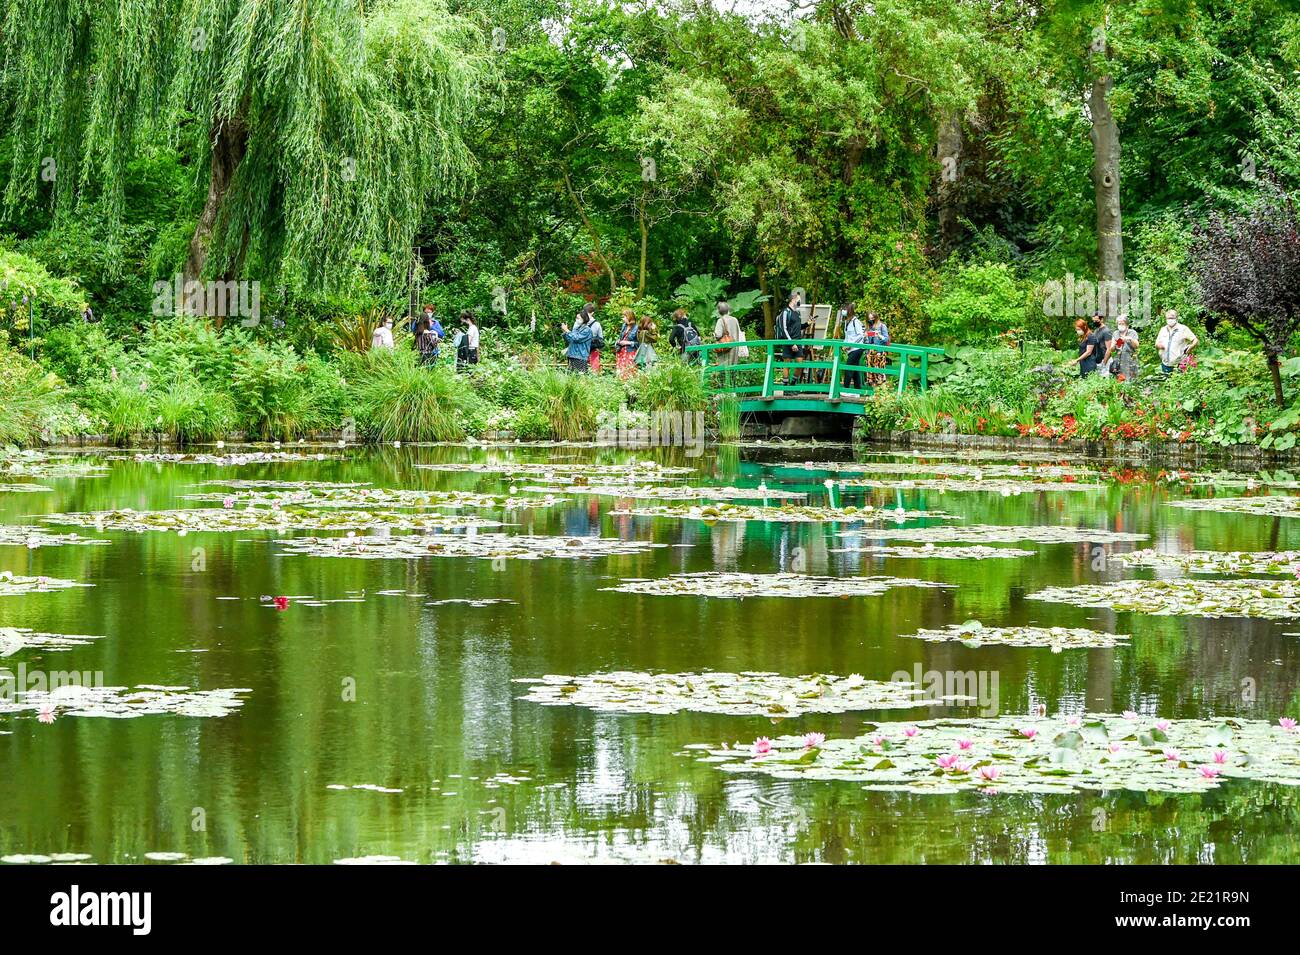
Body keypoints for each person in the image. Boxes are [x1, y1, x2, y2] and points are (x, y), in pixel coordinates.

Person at [1155, 308, 1198, 374]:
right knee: (1167, 383)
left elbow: (1195, 340)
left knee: (1179, 382)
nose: (1170, 320)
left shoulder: (1183, 328)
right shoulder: (1163, 329)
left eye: (1172, 318)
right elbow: (1156, 343)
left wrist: (1191, 346)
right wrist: (1159, 345)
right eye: (1168, 318)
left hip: (1180, 363)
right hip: (1165, 363)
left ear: (1176, 318)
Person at [776, 292, 803, 384]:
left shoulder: (797, 312)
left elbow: (798, 327)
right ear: (793, 300)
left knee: (800, 364)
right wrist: (791, 343)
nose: (800, 301)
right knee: (787, 364)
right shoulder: (785, 312)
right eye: (798, 299)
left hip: (798, 341)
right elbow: (784, 329)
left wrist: (808, 323)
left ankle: (793, 383)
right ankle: (785, 386)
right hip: (788, 341)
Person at [1104, 313, 1140, 382]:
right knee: (1120, 380)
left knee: (1131, 380)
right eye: (1119, 324)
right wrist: (1115, 344)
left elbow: (1137, 345)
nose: (1121, 325)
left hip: (1130, 360)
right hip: (1118, 361)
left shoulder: (1132, 333)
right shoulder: (1116, 333)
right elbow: (1112, 349)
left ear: (1127, 325)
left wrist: (1129, 339)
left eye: (1122, 323)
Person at [863, 311, 891, 388]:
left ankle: (881, 390)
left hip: (880, 353)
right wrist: (865, 336)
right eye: (869, 319)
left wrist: (879, 335)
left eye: (872, 318)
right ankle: (872, 389)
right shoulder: (868, 327)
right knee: (871, 373)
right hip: (870, 353)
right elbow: (866, 342)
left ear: (876, 318)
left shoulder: (882, 326)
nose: (871, 320)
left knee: (880, 372)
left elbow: (886, 339)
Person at [841, 304, 865, 391]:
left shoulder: (856, 322)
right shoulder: (847, 322)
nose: (843, 311)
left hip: (857, 349)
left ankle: (845, 389)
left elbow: (860, 335)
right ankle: (857, 389)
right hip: (850, 349)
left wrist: (850, 345)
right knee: (854, 369)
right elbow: (847, 336)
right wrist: (844, 345)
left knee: (848, 367)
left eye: (844, 309)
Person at [712, 301, 741, 367]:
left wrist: (714, 335)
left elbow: (718, 335)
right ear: (728, 310)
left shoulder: (720, 320)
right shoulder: (735, 319)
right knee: (733, 368)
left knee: (724, 368)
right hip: (735, 347)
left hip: (725, 349)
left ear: (719, 311)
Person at [615, 308, 639, 378]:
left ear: (629, 317)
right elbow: (621, 337)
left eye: (624, 317)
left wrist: (628, 343)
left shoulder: (637, 328)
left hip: (630, 352)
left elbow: (639, 343)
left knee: (630, 371)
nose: (623, 319)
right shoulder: (624, 326)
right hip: (621, 351)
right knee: (621, 372)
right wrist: (618, 341)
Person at [585, 305, 604, 375]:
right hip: (594, 349)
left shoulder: (580, 323)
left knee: (582, 370)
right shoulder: (597, 324)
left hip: (583, 349)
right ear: (592, 313)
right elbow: (601, 338)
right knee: (594, 370)